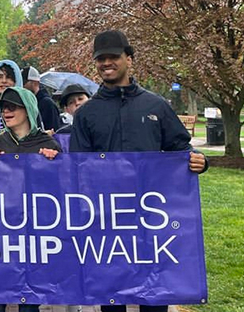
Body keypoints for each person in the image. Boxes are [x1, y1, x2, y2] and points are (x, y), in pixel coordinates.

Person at [70, 30, 207, 312]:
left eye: (113, 57)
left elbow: (181, 151)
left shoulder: (156, 105)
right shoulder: (87, 113)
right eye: (100, 59)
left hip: (151, 216)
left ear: (129, 59)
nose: (106, 63)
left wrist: (200, 162)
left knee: (154, 293)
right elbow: (78, 165)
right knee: (112, 294)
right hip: (107, 219)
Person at [0, 87, 60, 312]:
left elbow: (61, 188)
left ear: (29, 110)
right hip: (0, 232)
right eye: (4, 107)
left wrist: (54, 164)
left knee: (29, 301)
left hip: (34, 232)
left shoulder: (48, 144)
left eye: (12, 107)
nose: (6, 111)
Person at [21, 66, 61, 133]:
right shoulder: (26, 103)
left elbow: (54, 132)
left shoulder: (47, 103)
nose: (22, 86)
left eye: (24, 82)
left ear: (35, 83)